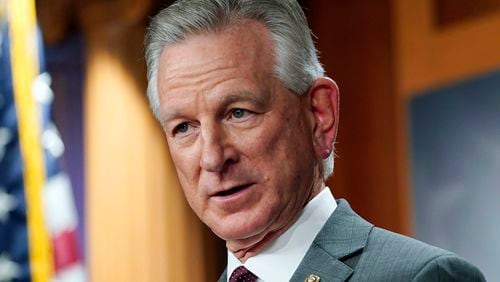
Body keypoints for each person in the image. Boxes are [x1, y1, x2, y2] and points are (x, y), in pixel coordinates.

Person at [144, 0, 485, 281]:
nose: (213, 158)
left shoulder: (421, 277)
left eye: (238, 112)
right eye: (184, 128)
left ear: (320, 115)